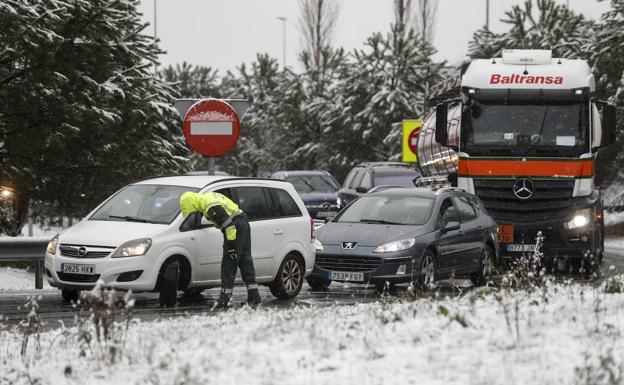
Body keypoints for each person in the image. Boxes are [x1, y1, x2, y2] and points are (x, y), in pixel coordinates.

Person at [179, 191, 261, 308]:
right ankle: (254, 296)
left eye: (191, 209)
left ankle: (225, 299)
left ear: (192, 203)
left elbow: (229, 227)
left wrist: (231, 247)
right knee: (244, 259)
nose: (193, 212)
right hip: (242, 221)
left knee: (229, 262)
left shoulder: (210, 207)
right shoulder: (207, 198)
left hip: (235, 226)